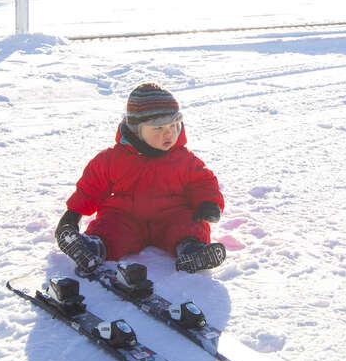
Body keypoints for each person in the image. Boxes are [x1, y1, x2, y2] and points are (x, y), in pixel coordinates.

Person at [54, 83, 228, 274]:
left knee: (188, 224)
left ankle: (192, 250)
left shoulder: (184, 159)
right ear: (137, 130)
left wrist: (208, 203)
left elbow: (202, 182)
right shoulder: (114, 158)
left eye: (174, 125)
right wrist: (72, 215)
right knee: (111, 228)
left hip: (171, 215)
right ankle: (92, 248)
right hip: (126, 216)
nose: (169, 133)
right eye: (158, 128)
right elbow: (91, 186)